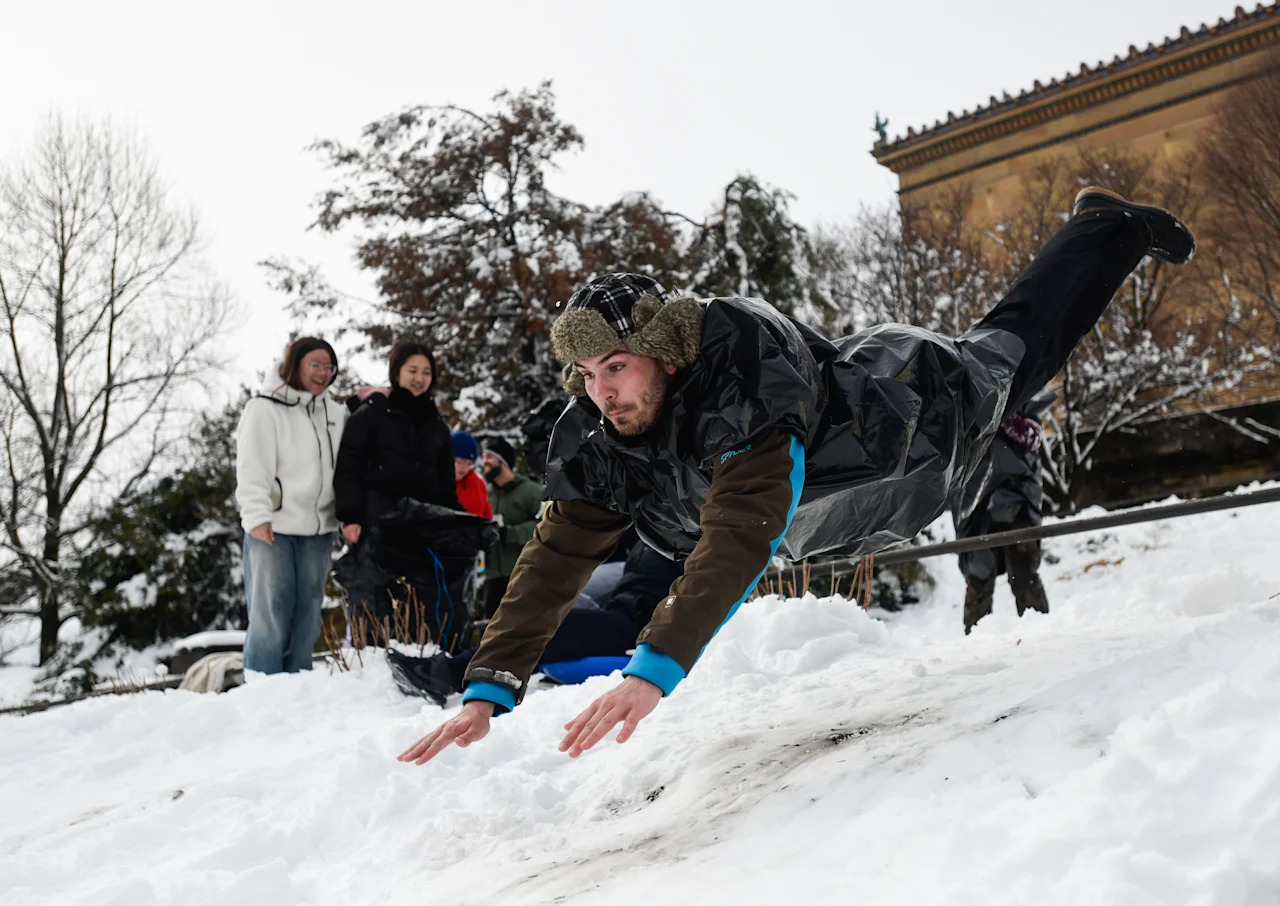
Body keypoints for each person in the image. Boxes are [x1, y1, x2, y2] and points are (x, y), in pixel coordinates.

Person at [398, 187, 1196, 766]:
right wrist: (489, 687)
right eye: (587, 373)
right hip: (842, 505)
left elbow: (741, 531)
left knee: (1016, 346)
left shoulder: (741, 385)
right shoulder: (602, 438)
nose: (605, 391)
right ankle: (1098, 230)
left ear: (666, 354)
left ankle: (1104, 227)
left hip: (912, 421)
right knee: (1016, 345)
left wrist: (654, 669)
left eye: (619, 366)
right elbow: (554, 562)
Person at [387, 539, 684, 705]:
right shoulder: (648, 534)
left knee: (552, 627)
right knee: (539, 609)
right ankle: (452, 666)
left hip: (640, 627)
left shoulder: (692, 539)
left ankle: (444, 676)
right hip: (618, 611)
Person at [235, 337, 346, 674]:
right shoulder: (264, 408)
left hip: (318, 530)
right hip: (274, 527)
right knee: (271, 613)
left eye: (329, 367)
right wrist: (256, 516)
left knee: (309, 614)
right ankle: (262, 686)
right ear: (294, 365)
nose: (323, 373)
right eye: (315, 365)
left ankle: (297, 686)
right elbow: (252, 466)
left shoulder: (335, 412)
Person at [334, 340, 459, 639]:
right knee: (373, 597)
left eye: (426, 372)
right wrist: (350, 516)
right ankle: (370, 665)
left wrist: (453, 522)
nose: (419, 378)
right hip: (378, 520)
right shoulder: (372, 414)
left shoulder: (436, 422)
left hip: (423, 525)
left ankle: (419, 661)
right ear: (396, 373)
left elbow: (445, 481)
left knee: (420, 600)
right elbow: (348, 467)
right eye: (412, 370)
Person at [955, 392, 1053, 634]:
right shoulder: (967, 398)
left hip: (1016, 501)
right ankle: (976, 639)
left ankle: (1040, 632)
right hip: (977, 503)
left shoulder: (1021, 395)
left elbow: (1032, 437)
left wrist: (1002, 416)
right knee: (979, 574)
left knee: (1023, 571)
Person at [478, 436, 544, 619]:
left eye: (490, 457)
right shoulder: (486, 494)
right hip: (492, 579)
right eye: (483, 457)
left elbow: (548, 525)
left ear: (504, 461)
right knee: (491, 632)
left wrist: (510, 533)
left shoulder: (530, 491)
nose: (485, 461)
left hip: (522, 575)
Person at [452, 431, 493, 519]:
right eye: (460, 462)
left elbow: (487, 513)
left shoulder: (477, 483)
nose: (464, 468)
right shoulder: (436, 482)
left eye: (469, 464)